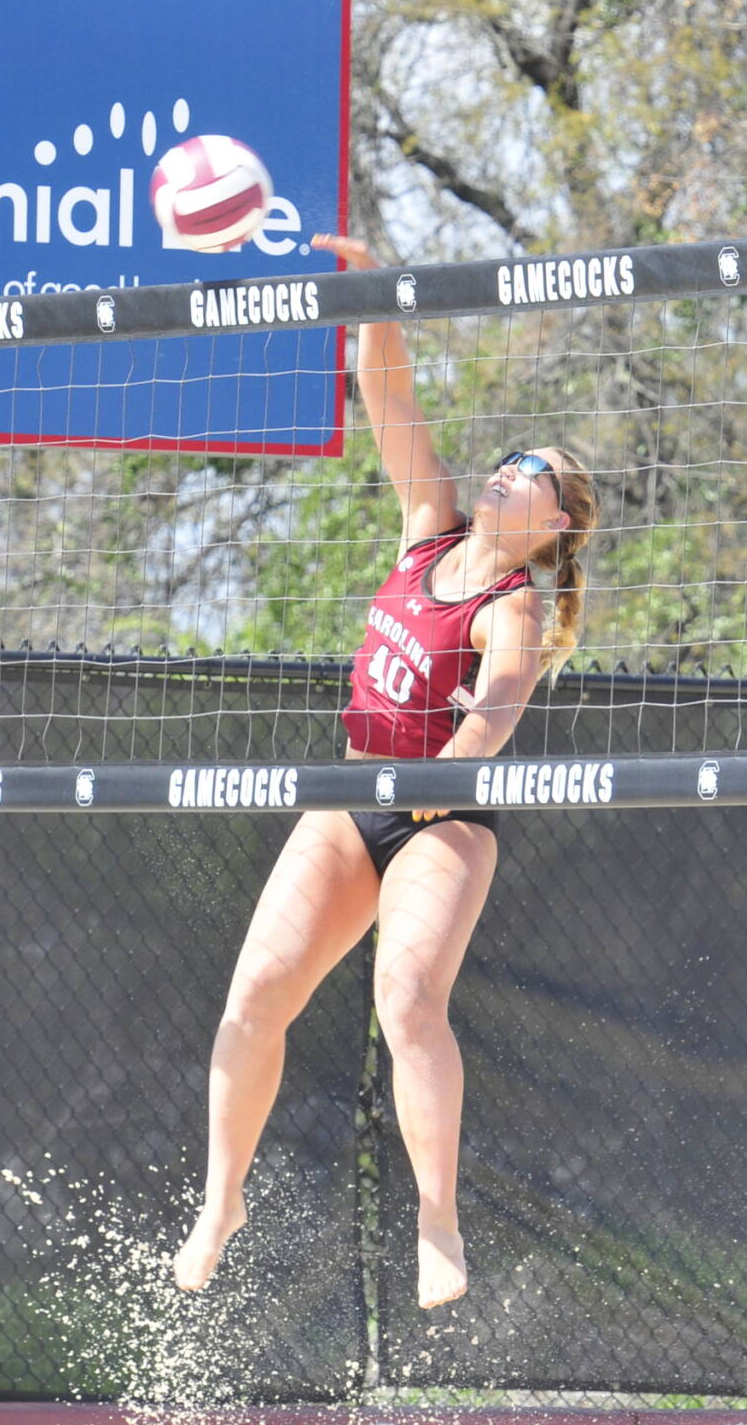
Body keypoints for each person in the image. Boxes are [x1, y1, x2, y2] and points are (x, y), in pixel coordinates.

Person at [171, 233, 601, 1310]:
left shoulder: (515, 600)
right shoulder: (428, 529)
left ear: (553, 525)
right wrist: (374, 291)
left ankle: (437, 1220)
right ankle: (221, 1198)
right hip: (348, 793)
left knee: (407, 998)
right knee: (253, 995)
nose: (512, 468)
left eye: (535, 473)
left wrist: (448, 768)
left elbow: (501, 700)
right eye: (513, 456)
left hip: (439, 814)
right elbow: (385, 389)